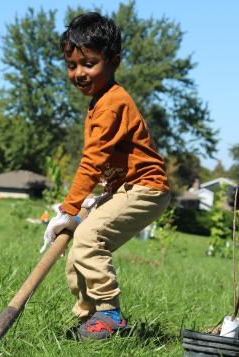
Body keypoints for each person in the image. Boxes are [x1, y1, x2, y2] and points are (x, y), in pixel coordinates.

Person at [43, 12, 170, 340]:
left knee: (87, 239)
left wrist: (69, 209)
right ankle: (91, 321)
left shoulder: (113, 103)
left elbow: (93, 159)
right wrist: (92, 197)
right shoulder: (100, 102)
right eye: (72, 65)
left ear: (113, 61)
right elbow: (106, 162)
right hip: (124, 187)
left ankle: (108, 315)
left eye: (89, 63)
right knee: (77, 252)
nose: (79, 73)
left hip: (146, 188)